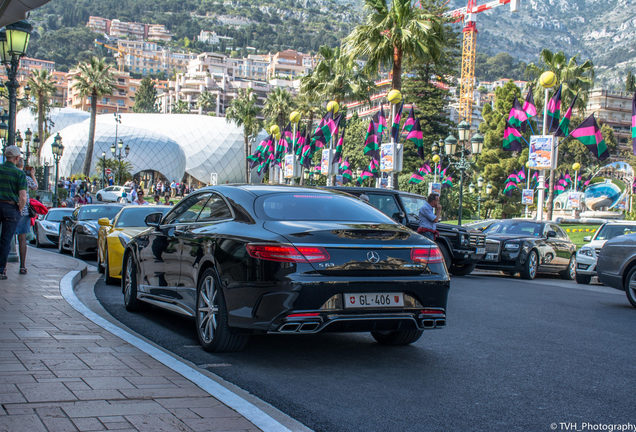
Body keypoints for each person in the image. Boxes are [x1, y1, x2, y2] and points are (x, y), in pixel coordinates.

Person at [0, 146, 27, 280]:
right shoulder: (19, 174)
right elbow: (23, 197)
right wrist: (20, 208)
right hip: (10, 208)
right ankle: (1, 270)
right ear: (17, 158)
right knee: (5, 240)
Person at [14, 160, 38, 274]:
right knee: (22, 238)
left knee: (6, 237)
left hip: (10, 208)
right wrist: (32, 175)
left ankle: (2, 268)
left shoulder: (9, 174)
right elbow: (35, 186)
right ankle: (22, 266)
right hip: (23, 210)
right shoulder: (24, 177)